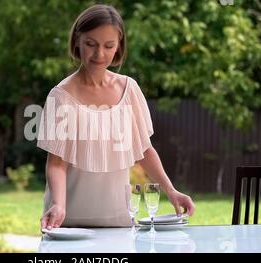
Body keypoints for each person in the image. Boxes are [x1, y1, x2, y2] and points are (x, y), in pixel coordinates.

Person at [37, 4, 195, 230]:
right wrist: (58, 205)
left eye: (108, 45)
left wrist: (171, 191)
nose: (99, 54)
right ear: (77, 41)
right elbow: (56, 163)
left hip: (119, 221)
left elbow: (144, 151)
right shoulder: (61, 96)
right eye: (90, 44)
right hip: (67, 224)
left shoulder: (129, 89)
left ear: (118, 47)